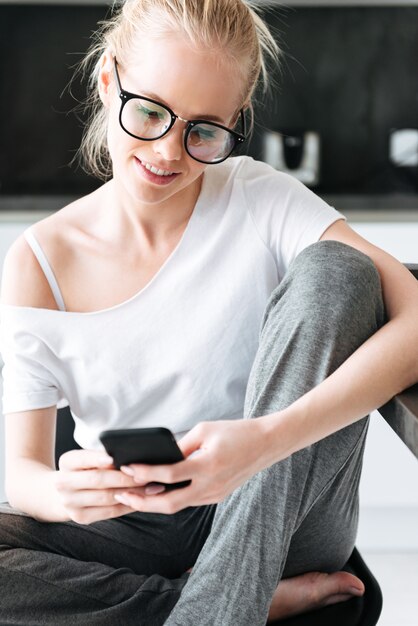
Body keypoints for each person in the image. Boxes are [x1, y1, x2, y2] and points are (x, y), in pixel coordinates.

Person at [0, 1, 417, 624]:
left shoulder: (260, 198)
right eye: (149, 113)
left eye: (203, 130)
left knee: (339, 274)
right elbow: (21, 474)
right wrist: (65, 494)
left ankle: (214, 605)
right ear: (107, 80)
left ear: (235, 120)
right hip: (136, 524)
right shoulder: (38, 259)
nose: (168, 151)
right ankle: (235, 601)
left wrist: (264, 443)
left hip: (281, 497)